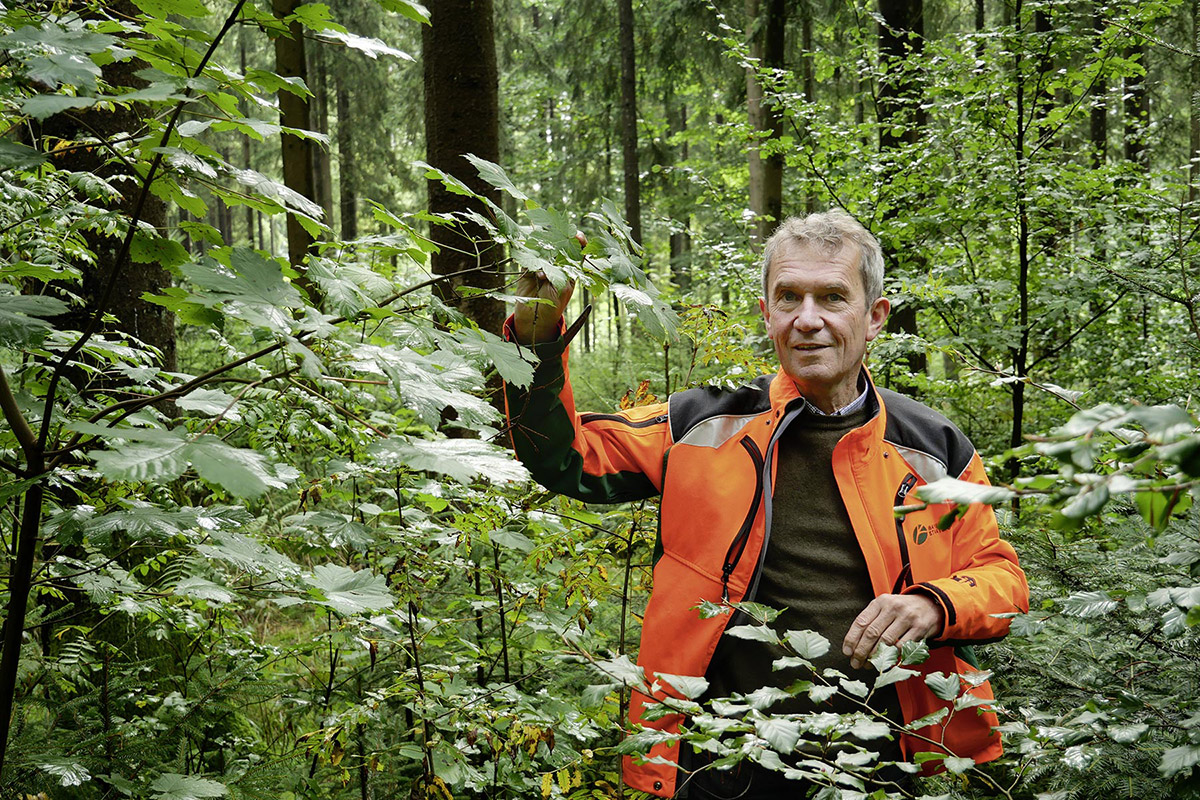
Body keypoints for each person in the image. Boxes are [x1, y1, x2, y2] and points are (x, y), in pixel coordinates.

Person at [502, 210, 1029, 799]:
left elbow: (1000, 578)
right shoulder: (704, 423)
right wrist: (535, 343)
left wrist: (935, 604)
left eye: (832, 297)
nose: (808, 319)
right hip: (723, 760)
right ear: (767, 313)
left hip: (887, 760)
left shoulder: (933, 446)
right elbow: (567, 458)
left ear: (874, 316)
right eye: (789, 298)